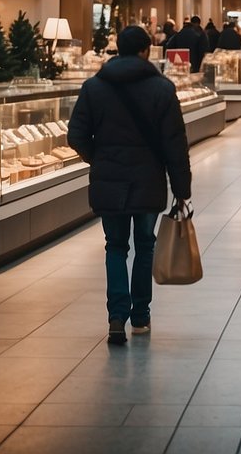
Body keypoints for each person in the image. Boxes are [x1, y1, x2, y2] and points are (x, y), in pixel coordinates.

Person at [68, 26, 192, 345]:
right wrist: (182, 189)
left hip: (109, 181)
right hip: (148, 179)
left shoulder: (94, 87)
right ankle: (140, 316)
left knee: (115, 246)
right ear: (146, 51)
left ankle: (115, 317)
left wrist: (100, 158)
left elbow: (76, 135)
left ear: (117, 50)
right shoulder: (162, 89)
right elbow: (175, 143)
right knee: (145, 245)